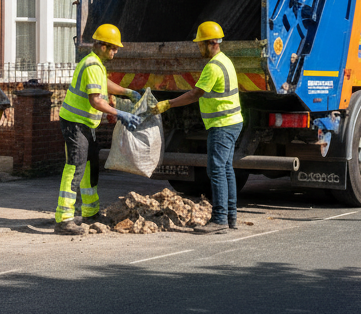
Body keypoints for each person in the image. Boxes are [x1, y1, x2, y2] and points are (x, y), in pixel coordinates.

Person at [152, 21, 243, 233]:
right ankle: (231, 216)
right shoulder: (225, 61)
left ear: (210, 43)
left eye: (200, 44)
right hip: (232, 122)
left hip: (222, 125)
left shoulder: (213, 67)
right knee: (226, 169)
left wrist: (168, 104)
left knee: (217, 170)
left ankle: (220, 219)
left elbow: (195, 94)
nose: (198, 48)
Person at [55, 24, 141, 235]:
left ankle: (90, 211)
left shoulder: (96, 64)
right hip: (76, 123)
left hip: (85, 124)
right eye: (112, 48)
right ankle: (63, 218)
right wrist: (121, 114)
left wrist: (126, 91)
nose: (115, 51)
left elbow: (102, 85)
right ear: (102, 46)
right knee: (75, 167)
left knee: (90, 166)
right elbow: (96, 101)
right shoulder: (93, 65)